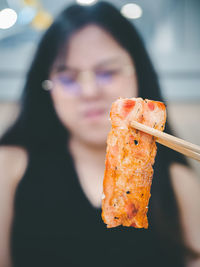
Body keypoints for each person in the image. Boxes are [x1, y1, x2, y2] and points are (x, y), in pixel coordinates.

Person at [0, 2, 200, 267]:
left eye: (108, 72)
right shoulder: (8, 167)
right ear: (47, 88)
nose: (89, 91)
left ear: (138, 74)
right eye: (68, 77)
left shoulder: (179, 181)